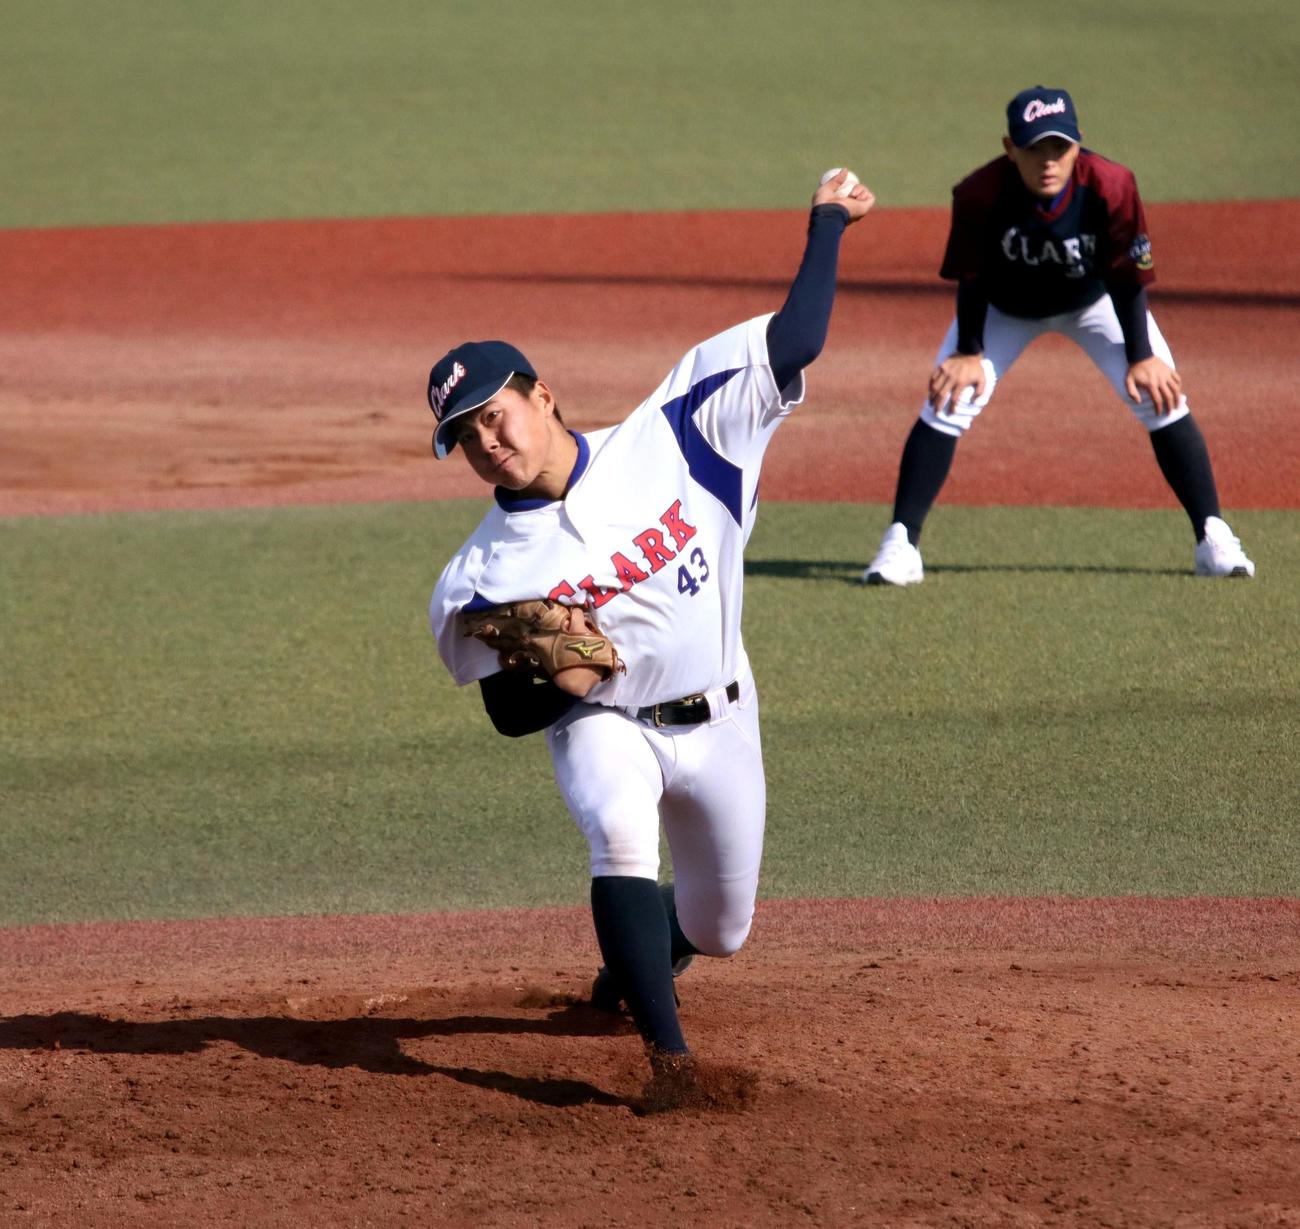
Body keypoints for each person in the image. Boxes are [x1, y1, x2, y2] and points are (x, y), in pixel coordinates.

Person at [426, 169, 876, 1108]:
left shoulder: (675, 431)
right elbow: (509, 711)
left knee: (722, 926)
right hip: (609, 728)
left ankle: (646, 954)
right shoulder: (480, 575)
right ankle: (670, 1060)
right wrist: (568, 681)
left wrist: (827, 223)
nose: (488, 443)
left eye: (494, 416)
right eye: (466, 437)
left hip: (721, 713)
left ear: (541, 394)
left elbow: (797, 340)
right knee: (620, 832)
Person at [863, 85, 1254, 585]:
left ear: (1078, 144)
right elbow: (973, 277)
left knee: (1161, 395)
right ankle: (901, 545)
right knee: (948, 398)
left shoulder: (1112, 185)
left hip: (1094, 304)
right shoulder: (979, 194)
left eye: (1059, 147)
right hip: (1005, 310)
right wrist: (967, 351)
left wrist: (1140, 355)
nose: (1047, 161)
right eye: (1033, 149)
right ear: (1010, 149)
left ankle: (1212, 537)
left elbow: (1127, 274)